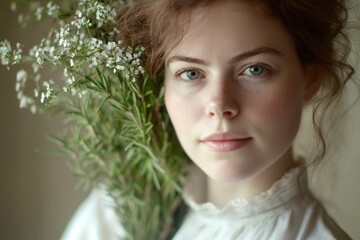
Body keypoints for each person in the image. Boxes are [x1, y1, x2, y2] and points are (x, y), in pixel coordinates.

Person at [61, 0, 355, 239]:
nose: (219, 105)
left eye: (254, 69)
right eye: (190, 73)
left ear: (310, 79)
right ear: (161, 86)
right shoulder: (120, 208)